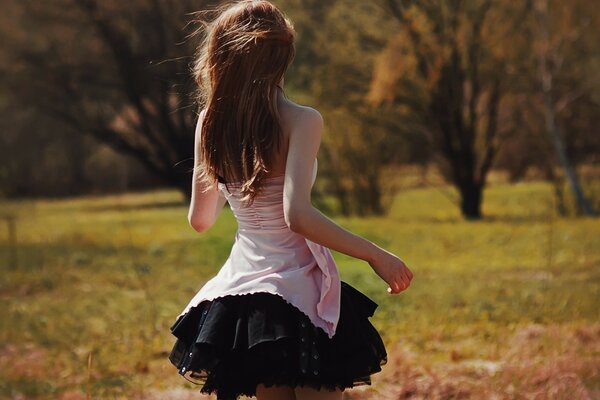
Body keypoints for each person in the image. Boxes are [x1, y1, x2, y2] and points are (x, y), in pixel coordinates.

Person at [168, 1, 414, 399]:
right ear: (283, 58)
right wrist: (375, 255)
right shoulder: (302, 120)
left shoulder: (208, 122)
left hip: (245, 296)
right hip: (298, 291)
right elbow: (297, 215)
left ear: (221, 57)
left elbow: (201, 220)